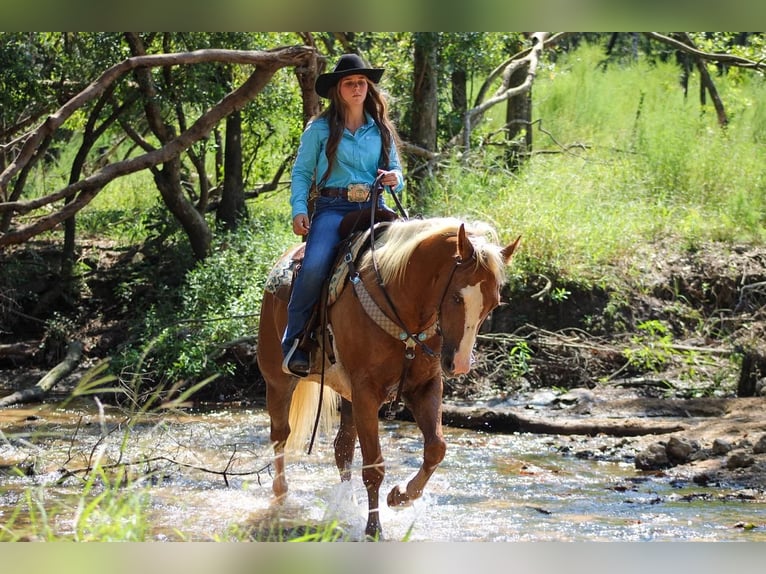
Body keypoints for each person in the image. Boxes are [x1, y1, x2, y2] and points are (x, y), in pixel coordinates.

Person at [281, 53, 405, 377]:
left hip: (375, 207)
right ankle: (297, 341)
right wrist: (298, 210)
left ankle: (413, 339)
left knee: (408, 257)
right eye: (350, 83)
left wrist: (396, 179)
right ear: (338, 89)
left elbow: (396, 171)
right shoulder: (319, 129)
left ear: (368, 88)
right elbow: (302, 173)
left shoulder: (381, 129)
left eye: (362, 83)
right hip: (333, 208)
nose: (357, 88)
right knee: (315, 266)